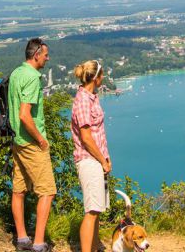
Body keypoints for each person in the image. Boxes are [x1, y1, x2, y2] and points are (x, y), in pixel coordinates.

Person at [8, 38, 55, 252]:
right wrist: (41, 140)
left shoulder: (17, 73)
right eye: (45, 54)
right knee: (47, 191)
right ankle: (38, 243)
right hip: (30, 143)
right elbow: (25, 115)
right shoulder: (32, 78)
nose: (48, 58)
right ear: (36, 54)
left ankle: (22, 239)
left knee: (19, 189)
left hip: (17, 140)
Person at [71, 60, 111, 252]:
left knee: (97, 209)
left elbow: (97, 133)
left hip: (97, 159)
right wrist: (102, 160)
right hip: (89, 160)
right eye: (102, 75)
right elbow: (86, 138)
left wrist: (106, 157)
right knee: (91, 211)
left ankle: (95, 248)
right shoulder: (83, 101)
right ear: (96, 78)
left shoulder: (92, 97)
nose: (103, 78)